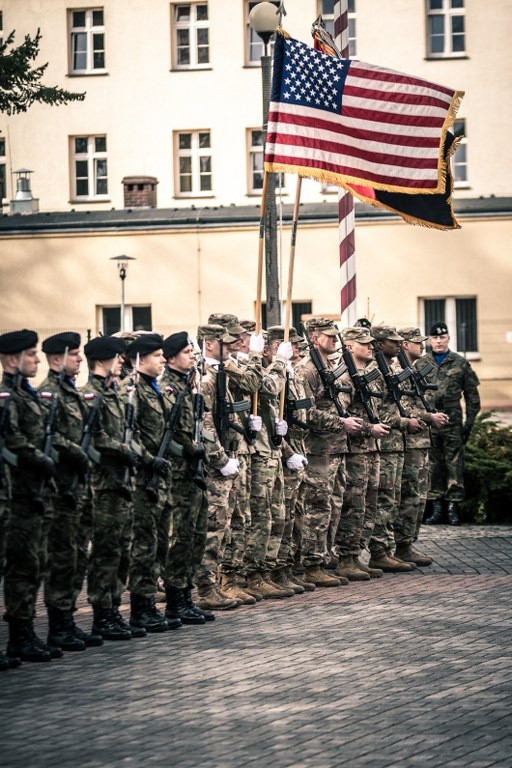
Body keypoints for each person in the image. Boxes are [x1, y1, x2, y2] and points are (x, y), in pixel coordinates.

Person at [38, 331, 101, 652]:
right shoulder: (49, 394)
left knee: (76, 556)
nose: (79, 359)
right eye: (74, 354)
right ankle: (57, 625)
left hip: (81, 487)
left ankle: (68, 621)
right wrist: (74, 450)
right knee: (61, 557)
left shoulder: (72, 393)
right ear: (56, 358)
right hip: (62, 488)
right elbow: (48, 436)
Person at [0, 330, 61, 663]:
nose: (37, 360)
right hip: (17, 493)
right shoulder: (6, 397)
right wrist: (39, 459)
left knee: (31, 565)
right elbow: (13, 441)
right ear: (12, 359)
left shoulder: (28, 395)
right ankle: (16, 637)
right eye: (31, 355)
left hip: (33, 492)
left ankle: (24, 636)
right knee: (17, 566)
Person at [82, 335, 146, 641]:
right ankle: (101, 613)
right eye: (117, 357)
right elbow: (96, 437)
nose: (122, 361)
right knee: (105, 551)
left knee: (122, 551)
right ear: (101, 361)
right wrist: (122, 449)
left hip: (123, 483)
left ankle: (114, 609)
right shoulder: (91, 396)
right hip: (104, 485)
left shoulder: (117, 394)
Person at [299, 318, 364, 587]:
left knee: (333, 506)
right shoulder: (307, 370)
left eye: (336, 336)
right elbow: (306, 413)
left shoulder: (329, 367)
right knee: (317, 507)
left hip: (335, 448)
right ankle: (311, 564)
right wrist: (341, 422)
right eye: (329, 336)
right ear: (315, 339)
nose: (335, 340)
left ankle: (324, 558)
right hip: (318, 450)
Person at [121, 333, 179, 633]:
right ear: (140, 360)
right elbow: (129, 435)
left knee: (157, 543)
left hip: (160, 479)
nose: (162, 360)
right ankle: (140, 608)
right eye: (157, 356)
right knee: (143, 545)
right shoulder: (131, 390)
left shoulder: (156, 389)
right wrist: (148, 459)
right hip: (142, 480)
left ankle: (150, 606)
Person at [160, 332, 211, 625]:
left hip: (193, 473)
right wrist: (189, 448)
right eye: (187, 351)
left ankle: (187, 596)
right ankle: (175, 600)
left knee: (196, 536)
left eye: (193, 351)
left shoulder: (188, 384)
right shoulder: (169, 388)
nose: (193, 355)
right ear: (171, 358)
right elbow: (171, 432)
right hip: (178, 474)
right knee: (180, 538)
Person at [335, 327, 390, 581]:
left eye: (371, 343)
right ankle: (346, 557)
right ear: (349, 347)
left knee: (368, 504)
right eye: (364, 343)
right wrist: (370, 428)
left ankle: (356, 555)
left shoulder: (366, 374)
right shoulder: (345, 377)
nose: (370, 347)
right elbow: (343, 418)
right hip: (355, 450)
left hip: (370, 449)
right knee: (353, 505)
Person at [368, 327, 424, 573]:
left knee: (395, 498)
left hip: (397, 443)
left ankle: (392, 548)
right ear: (380, 344)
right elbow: (377, 409)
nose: (399, 345)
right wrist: (404, 422)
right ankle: (380, 551)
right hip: (387, 443)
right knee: (385, 499)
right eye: (394, 342)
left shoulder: (392, 369)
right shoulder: (376, 371)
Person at [395, 328, 449, 563]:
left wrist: (431, 415)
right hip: (408, 442)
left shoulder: (414, 370)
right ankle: (400, 546)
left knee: (418, 496)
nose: (423, 345)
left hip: (420, 442)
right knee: (408, 496)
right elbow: (401, 408)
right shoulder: (398, 373)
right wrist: (429, 417)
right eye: (417, 342)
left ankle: (408, 544)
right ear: (405, 344)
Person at [423, 322, 481, 526]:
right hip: (429, 423)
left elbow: (472, 396)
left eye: (442, 337)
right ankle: (436, 507)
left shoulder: (460, 363)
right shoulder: (422, 364)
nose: (438, 341)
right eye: (435, 338)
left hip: (452, 422)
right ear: (430, 340)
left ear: (448, 338)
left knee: (454, 464)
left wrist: (469, 423)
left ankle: (452, 506)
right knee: (432, 465)